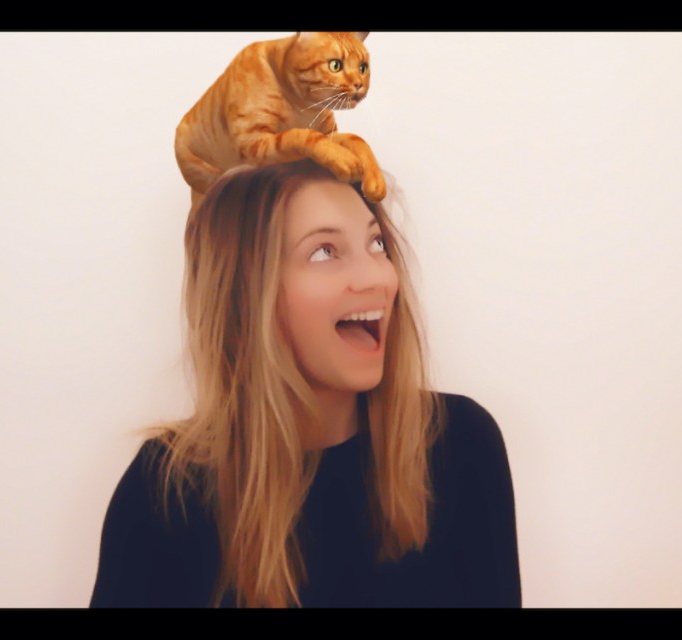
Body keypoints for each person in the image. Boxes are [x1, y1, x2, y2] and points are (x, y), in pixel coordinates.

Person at [89, 159, 521, 608]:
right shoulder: (166, 493)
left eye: (376, 243)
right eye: (324, 252)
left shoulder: (461, 444)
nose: (377, 277)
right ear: (246, 296)